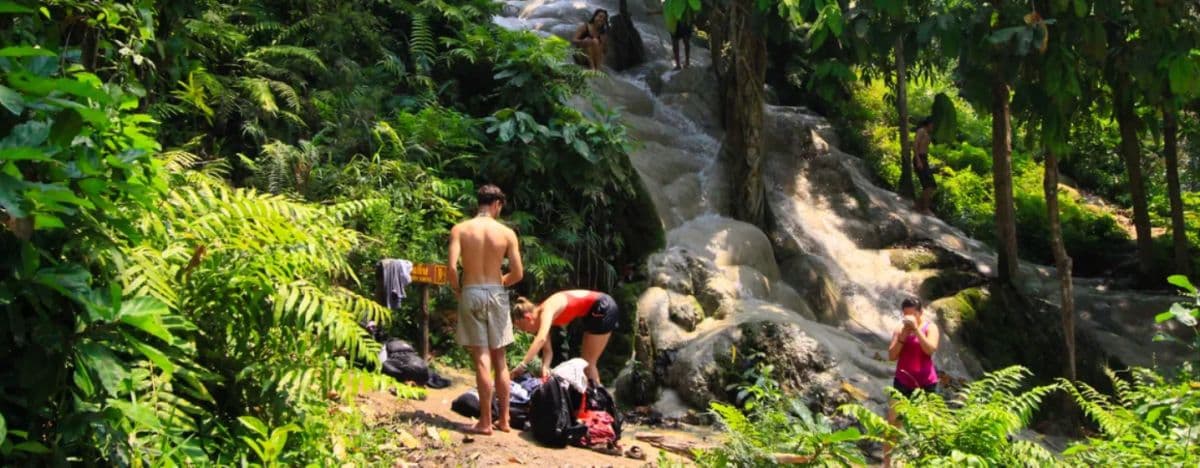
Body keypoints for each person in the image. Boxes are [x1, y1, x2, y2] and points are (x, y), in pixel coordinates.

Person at [448, 184, 524, 435]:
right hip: (495, 291)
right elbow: (518, 273)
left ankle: (484, 422)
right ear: (497, 204)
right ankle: (504, 420)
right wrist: (500, 282)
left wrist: (459, 290)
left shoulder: (460, 229)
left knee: (481, 356)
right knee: (500, 359)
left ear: (479, 202)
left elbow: (450, 267)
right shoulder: (506, 233)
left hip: (471, 291)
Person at [509, 290, 620, 386]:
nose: (526, 332)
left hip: (602, 307)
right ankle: (590, 402)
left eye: (524, 329)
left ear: (528, 318)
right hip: (591, 313)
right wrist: (545, 368)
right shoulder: (542, 320)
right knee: (585, 363)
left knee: (588, 364)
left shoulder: (546, 310)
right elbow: (547, 352)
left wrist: (522, 364)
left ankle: (599, 403)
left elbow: (541, 339)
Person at [885, 297, 940, 465]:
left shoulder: (930, 327)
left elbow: (930, 349)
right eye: (905, 314)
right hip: (902, 381)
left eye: (912, 314)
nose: (908, 318)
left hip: (926, 383)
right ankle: (887, 463)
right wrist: (903, 335)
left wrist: (916, 330)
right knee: (893, 423)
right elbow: (892, 356)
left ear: (920, 313)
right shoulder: (899, 329)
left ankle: (926, 462)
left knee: (928, 425)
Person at [913, 118, 937, 215]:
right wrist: (918, 160)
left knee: (931, 185)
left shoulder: (926, 133)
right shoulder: (921, 131)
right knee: (929, 185)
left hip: (924, 159)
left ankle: (918, 206)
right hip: (920, 158)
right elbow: (915, 145)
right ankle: (925, 208)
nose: (933, 127)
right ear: (929, 123)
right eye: (933, 125)